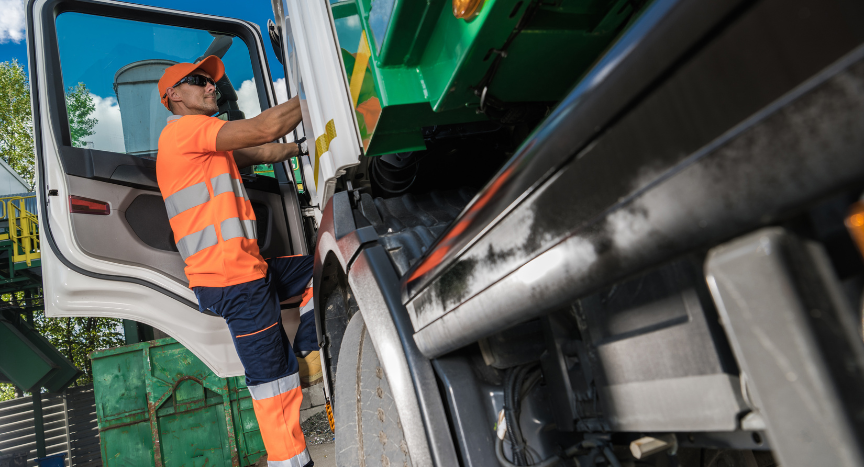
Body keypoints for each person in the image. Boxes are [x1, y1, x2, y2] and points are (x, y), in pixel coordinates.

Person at [155, 55, 317, 467]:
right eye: (199, 81)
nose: (212, 88)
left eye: (212, 83)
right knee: (272, 383)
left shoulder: (207, 147)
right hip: (234, 282)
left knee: (323, 267)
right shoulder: (184, 133)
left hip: (248, 272)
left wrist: (302, 147)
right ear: (173, 95)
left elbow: (262, 147)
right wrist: (322, 86)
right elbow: (265, 127)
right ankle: (292, 461)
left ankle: (308, 355)